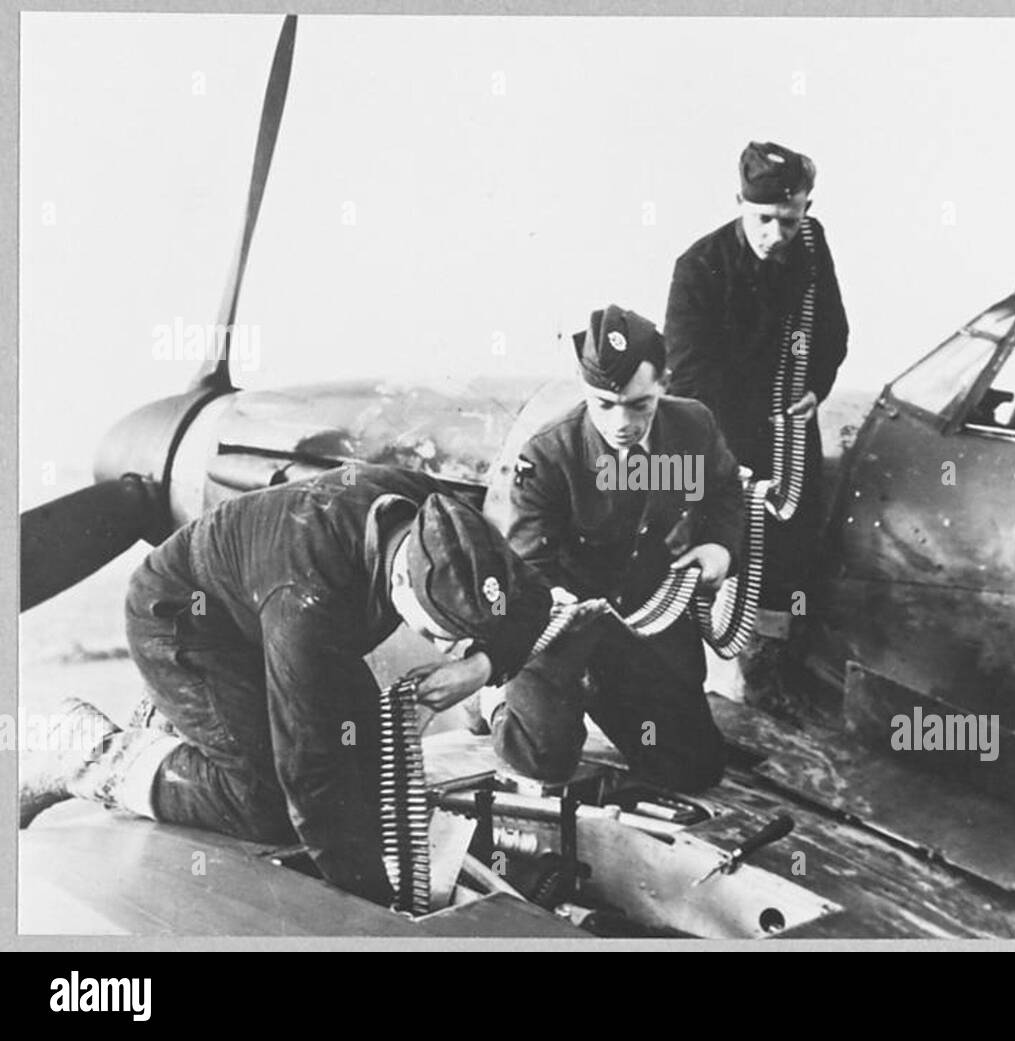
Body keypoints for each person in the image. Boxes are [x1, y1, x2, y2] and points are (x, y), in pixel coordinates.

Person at [18, 464, 552, 905]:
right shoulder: (308, 601)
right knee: (268, 805)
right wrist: (369, 905)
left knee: (368, 764)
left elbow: (533, 598)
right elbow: (310, 769)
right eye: (439, 634)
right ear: (398, 581)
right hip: (184, 618)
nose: (447, 649)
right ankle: (93, 752)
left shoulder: (451, 529)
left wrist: (478, 666)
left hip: (257, 606)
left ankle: (193, 727)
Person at [487, 304, 744, 792]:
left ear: (663, 384)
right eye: (604, 404)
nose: (622, 422)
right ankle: (498, 703)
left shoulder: (693, 427)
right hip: (559, 620)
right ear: (585, 392)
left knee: (692, 768)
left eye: (639, 404)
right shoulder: (549, 455)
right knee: (543, 759)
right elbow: (529, 569)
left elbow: (726, 490)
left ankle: (608, 696)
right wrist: (565, 623)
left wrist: (719, 548)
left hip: (647, 615)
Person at [663, 140, 850, 720]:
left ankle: (769, 675)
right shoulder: (698, 268)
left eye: (789, 220)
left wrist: (814, 387)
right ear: (739, 203)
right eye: (763, 219)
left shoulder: (812, 254)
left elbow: (833, 333)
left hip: (790, 435)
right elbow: (690, 373)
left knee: (792, 552)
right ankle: (699, 675)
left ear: (806, 209)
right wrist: (729, 461)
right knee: (718, 551)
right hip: (720, 436)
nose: (776, 233)